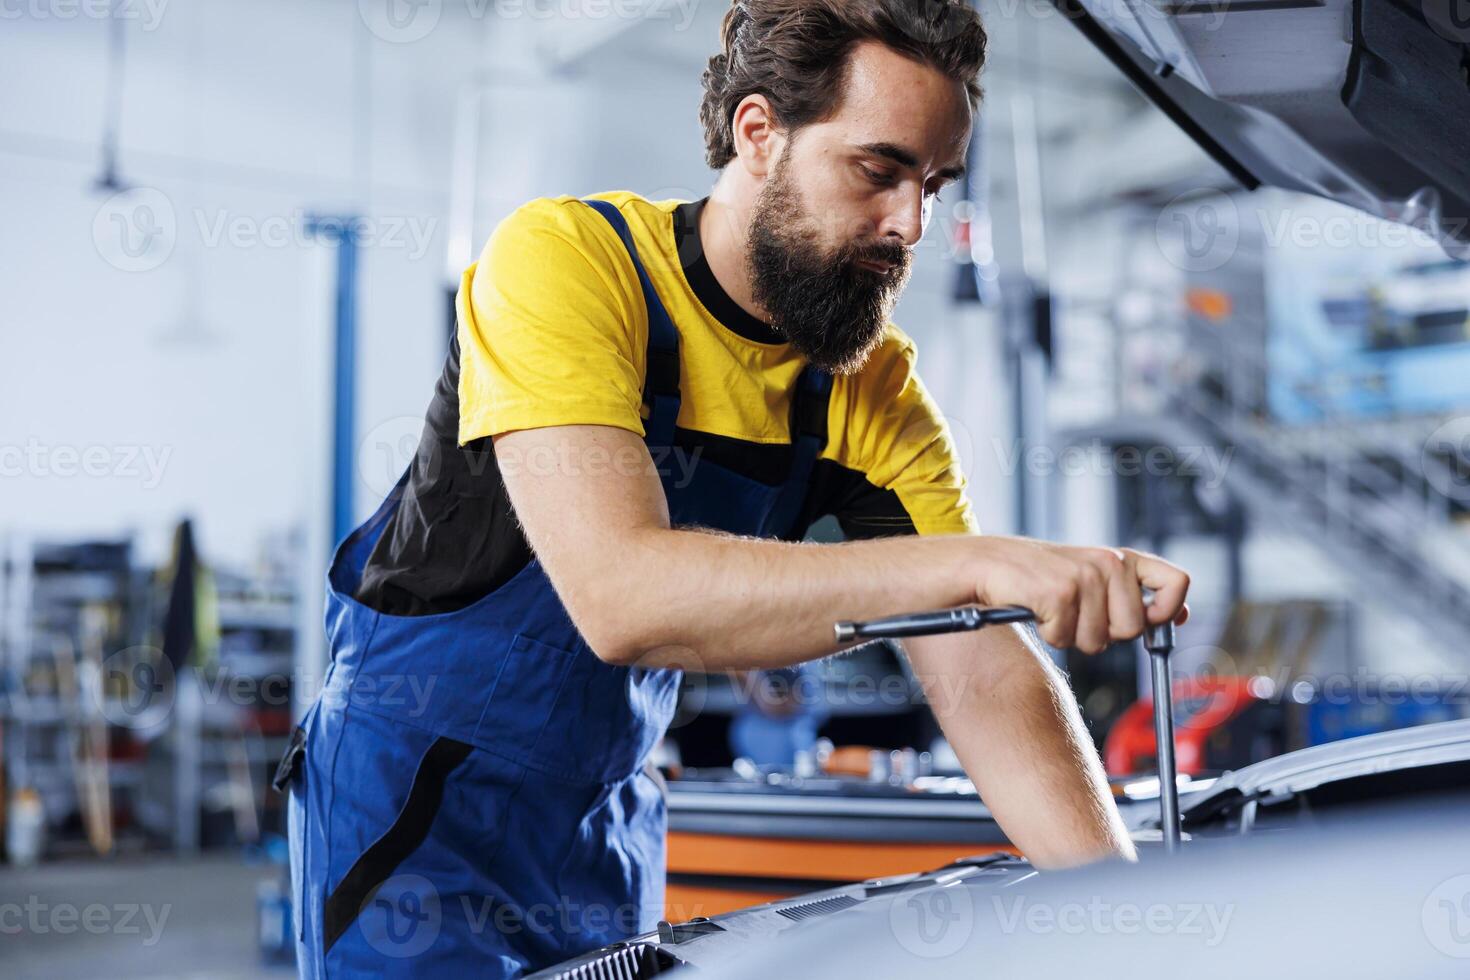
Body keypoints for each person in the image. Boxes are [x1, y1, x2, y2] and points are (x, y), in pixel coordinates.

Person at [276, 0, 1191, 975]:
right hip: (413, 813)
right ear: (759, 133)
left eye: (934, 183)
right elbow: (622, 596)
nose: (910, 224)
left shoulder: (870, 391)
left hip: (602, 821)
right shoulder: (571, 266)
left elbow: (981, 669)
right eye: (878, 170)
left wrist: (1123, 912)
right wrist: (967, 566)